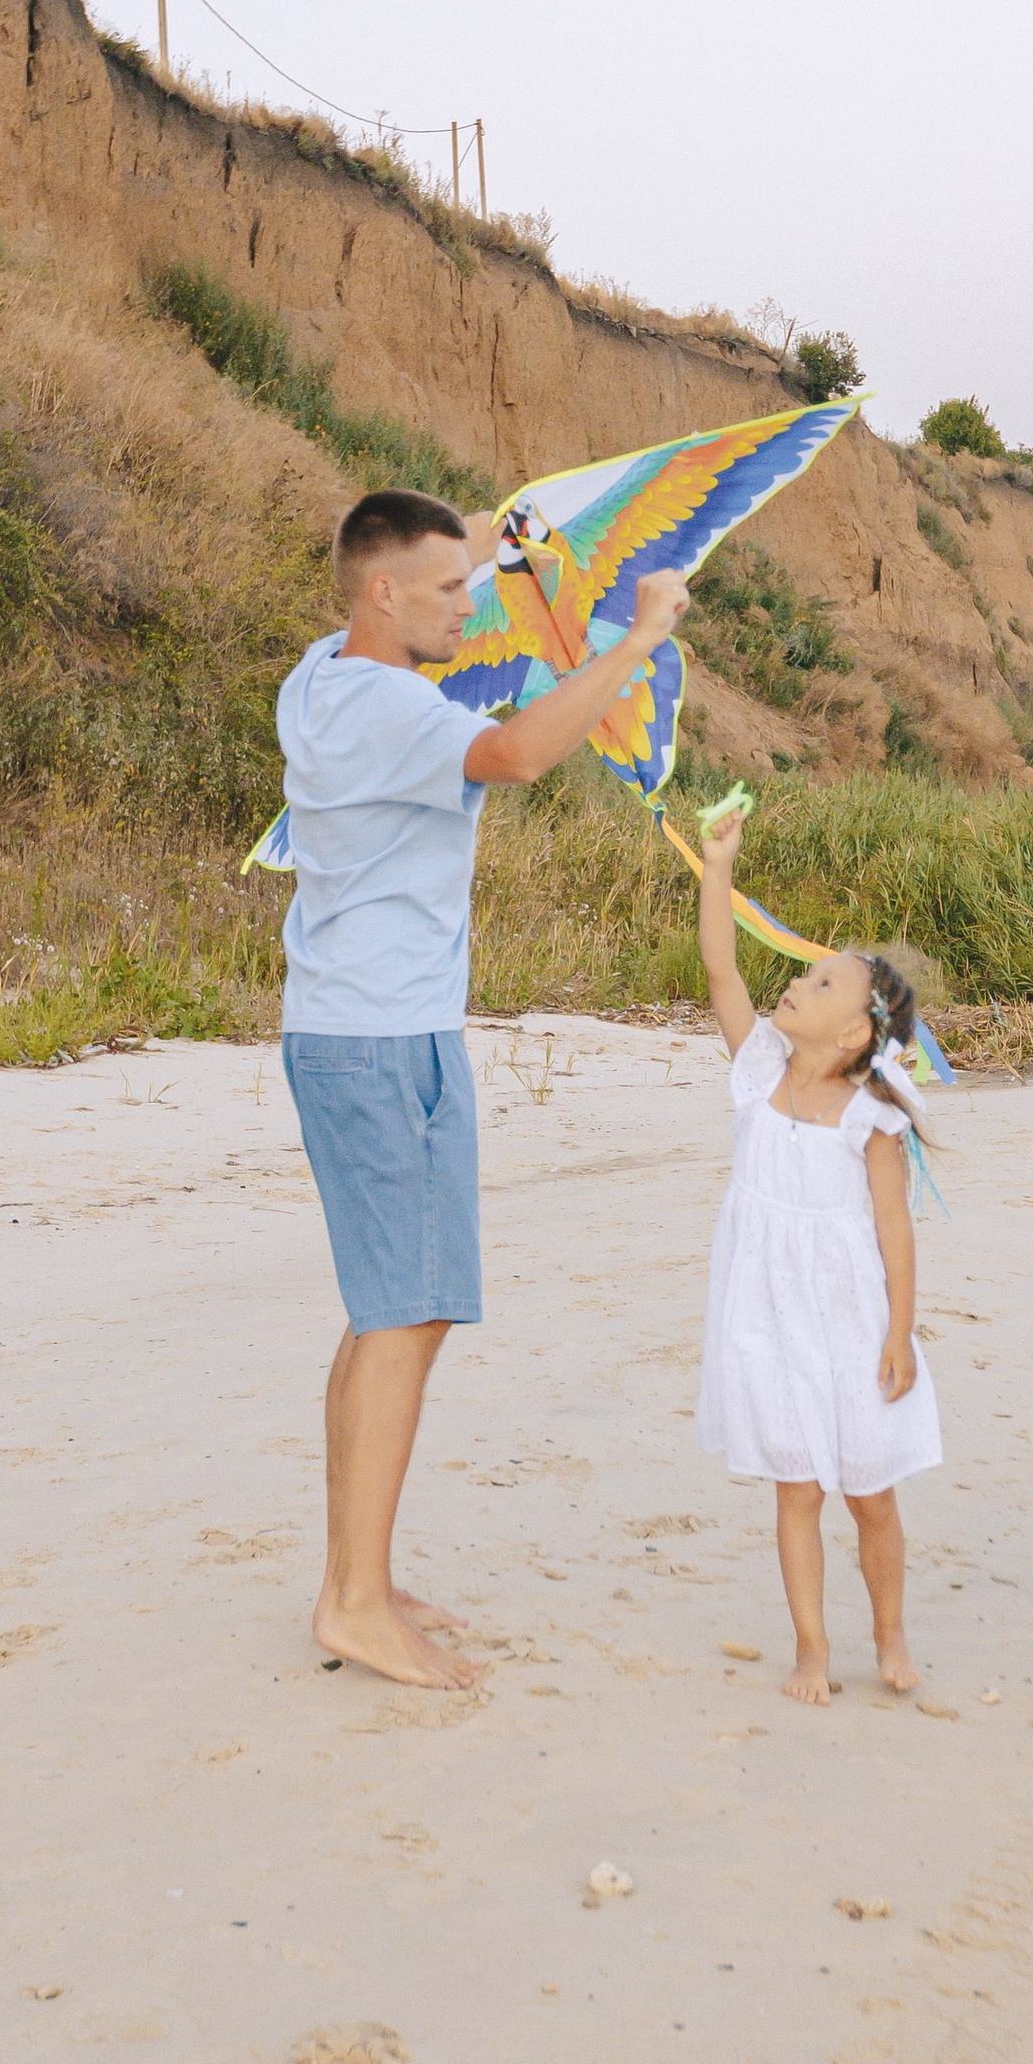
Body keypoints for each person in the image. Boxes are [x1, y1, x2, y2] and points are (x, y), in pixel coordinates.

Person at [278, 486, 689, 1689]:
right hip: (385, 1038)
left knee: (387, 1312)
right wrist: (637, 641)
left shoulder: (320, 679)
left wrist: (542, 683)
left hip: (354, 1028)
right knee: (407, 1315)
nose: (474, 603)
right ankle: (354, 1601)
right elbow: (508, 756)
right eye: (450, 586)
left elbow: (477, 732)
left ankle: (357, 1573)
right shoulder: (384, 701)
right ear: (382, 592)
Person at [692, 798, 941, 1707]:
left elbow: (893, 1232)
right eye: (808, 972)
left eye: (825, 983)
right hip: (767, 1322)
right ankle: (809, 1648)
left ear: (853, 1037)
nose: (799, 981)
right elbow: (721, 968)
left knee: (871, 1497)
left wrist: (902, 1333)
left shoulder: (872, 1121)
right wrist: (718, 867)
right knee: (795, 1492)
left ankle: (890, 1633)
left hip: (850, 1324)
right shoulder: (757, 1074)